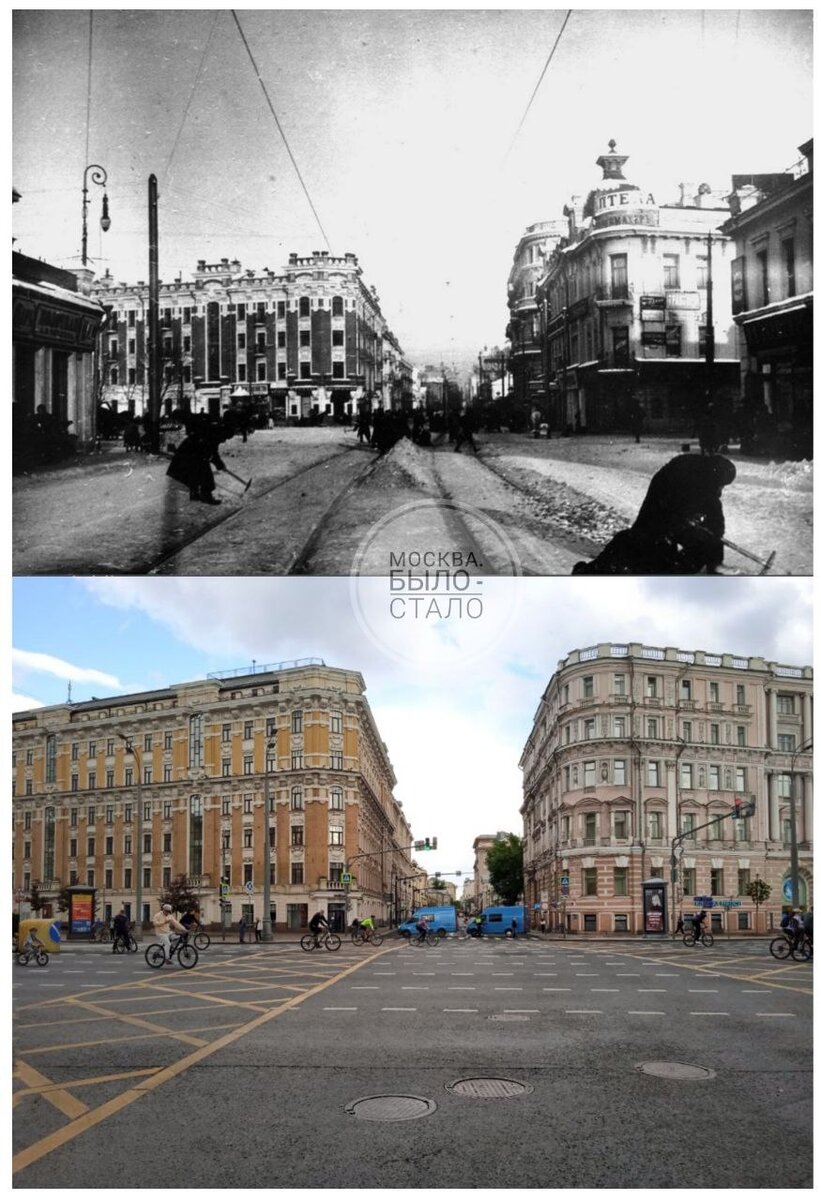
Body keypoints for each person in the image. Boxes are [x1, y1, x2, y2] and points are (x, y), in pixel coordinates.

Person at [572, 453, 736, 575]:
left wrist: (715, 546)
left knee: (689, 541)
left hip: (674, 506)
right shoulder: (690, 472)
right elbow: (674, 508)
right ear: (716, 477)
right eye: (721, 484)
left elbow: (714, 514)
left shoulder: (708, 477)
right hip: (661, 499)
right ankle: (594, 571)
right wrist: (683, 522)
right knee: (646, 538)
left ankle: (692, 563)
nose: (721, 488)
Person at [166, 414, 227, 505]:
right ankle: (206, 496)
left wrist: (219, 464)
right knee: (205, 474)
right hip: (190, 453)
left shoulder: (210, 433)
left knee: (194, 472)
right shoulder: (212, 437)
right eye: (224, 439)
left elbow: (210, 454)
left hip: (189, 452)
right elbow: (212, 454)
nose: (224, 441)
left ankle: (195, 494)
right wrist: (220, 465)